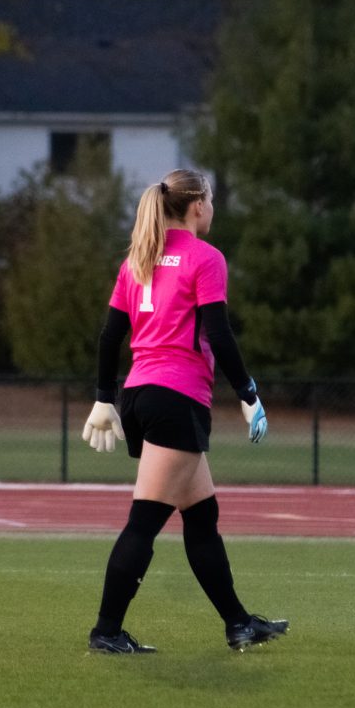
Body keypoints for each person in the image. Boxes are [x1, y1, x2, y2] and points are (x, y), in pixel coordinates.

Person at [81, 168, 289, 654]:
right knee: (144, 522)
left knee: (202, 515)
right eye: (211, 200)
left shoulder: (140, 257)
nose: (213, 208)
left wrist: (103, 396)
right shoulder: (205, 257)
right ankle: (106, 632)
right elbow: (218, 333)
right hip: (175, 399)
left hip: (141, 395)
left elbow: (112, 336)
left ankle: (238, 623)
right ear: (197, 206)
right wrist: (248, 391)